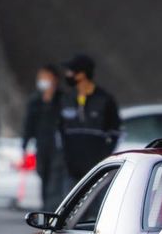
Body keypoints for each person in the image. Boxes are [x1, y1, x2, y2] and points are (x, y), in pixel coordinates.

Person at [58, 53, 121, 184]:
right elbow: (59, 131)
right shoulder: (66, 99)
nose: (67, 75)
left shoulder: (105, 100)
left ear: (81, 74)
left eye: (70, 71)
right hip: (71, 173)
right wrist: (65, 160)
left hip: (97, 172)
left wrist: (103, 158)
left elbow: (116, 132)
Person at [21, 63, 66, 210]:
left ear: (55, 79)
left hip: (58, 146)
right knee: (43, 175)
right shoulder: (35, 100)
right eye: (41, 77)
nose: (42, 80)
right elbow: (29, 123)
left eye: (46, 77)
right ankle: (45, 207)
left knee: (56, 178)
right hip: (41, 144)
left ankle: (52, 209)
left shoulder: (63, 99)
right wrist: (25, 143)